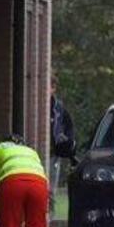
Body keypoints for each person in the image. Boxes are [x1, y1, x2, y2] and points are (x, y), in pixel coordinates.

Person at [49, 77, 75, 217]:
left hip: (54, 154)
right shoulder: (39, 107)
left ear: (53, 88)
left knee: (51, 189)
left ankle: (49, 221)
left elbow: (69, 126)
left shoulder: (59, 107)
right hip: (37, 154)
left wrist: (67, 142)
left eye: (50, 86)